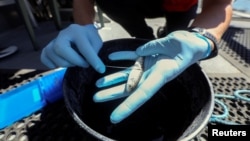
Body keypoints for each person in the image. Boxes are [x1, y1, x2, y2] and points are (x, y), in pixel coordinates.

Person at [41, 0, 233, 124]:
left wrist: (203, 36)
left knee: (177, 34)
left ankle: (168, 34)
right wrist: (83, 26)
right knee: (120, 10)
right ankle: (143, 36)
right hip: (125, 3)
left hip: (180, 3)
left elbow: (220, 2)